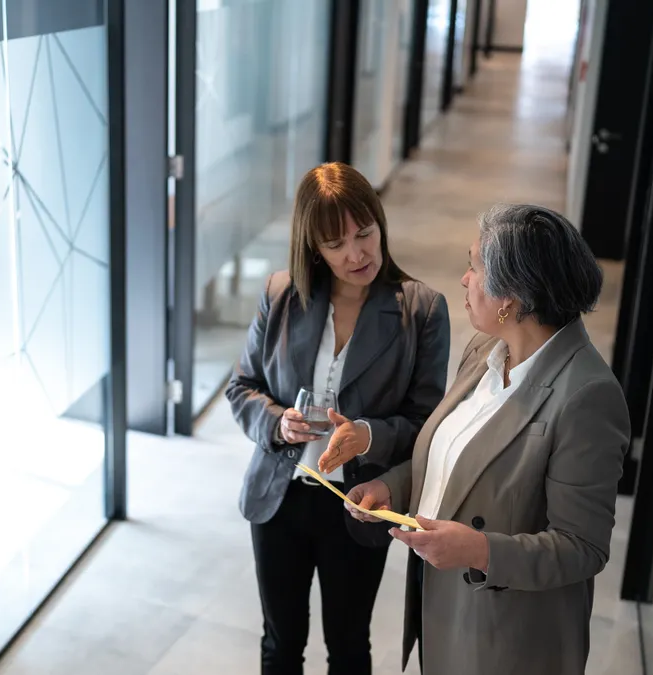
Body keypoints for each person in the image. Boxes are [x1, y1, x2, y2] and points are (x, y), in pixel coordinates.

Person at [346, 204, 630, 675]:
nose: (463, 279)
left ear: (511, 297)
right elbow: (454, 456)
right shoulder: (486, 348)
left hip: (508, 638)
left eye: (475, 267)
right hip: (448, 612)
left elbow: (583, 547)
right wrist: (393, 487)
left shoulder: (588, 396)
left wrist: (479, 549)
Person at [226, 162, 450, 675]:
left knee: (349, 647)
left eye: (365, 234)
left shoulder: (421, 312)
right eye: (336, 244)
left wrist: (368, 434)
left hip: (358, 505)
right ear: (314, 249)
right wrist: (278, 422)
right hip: (279, 498)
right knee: (280, 645)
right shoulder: (282, 296)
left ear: (379, 224)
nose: (356, 254)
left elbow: (427, 426)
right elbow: (241, 388)